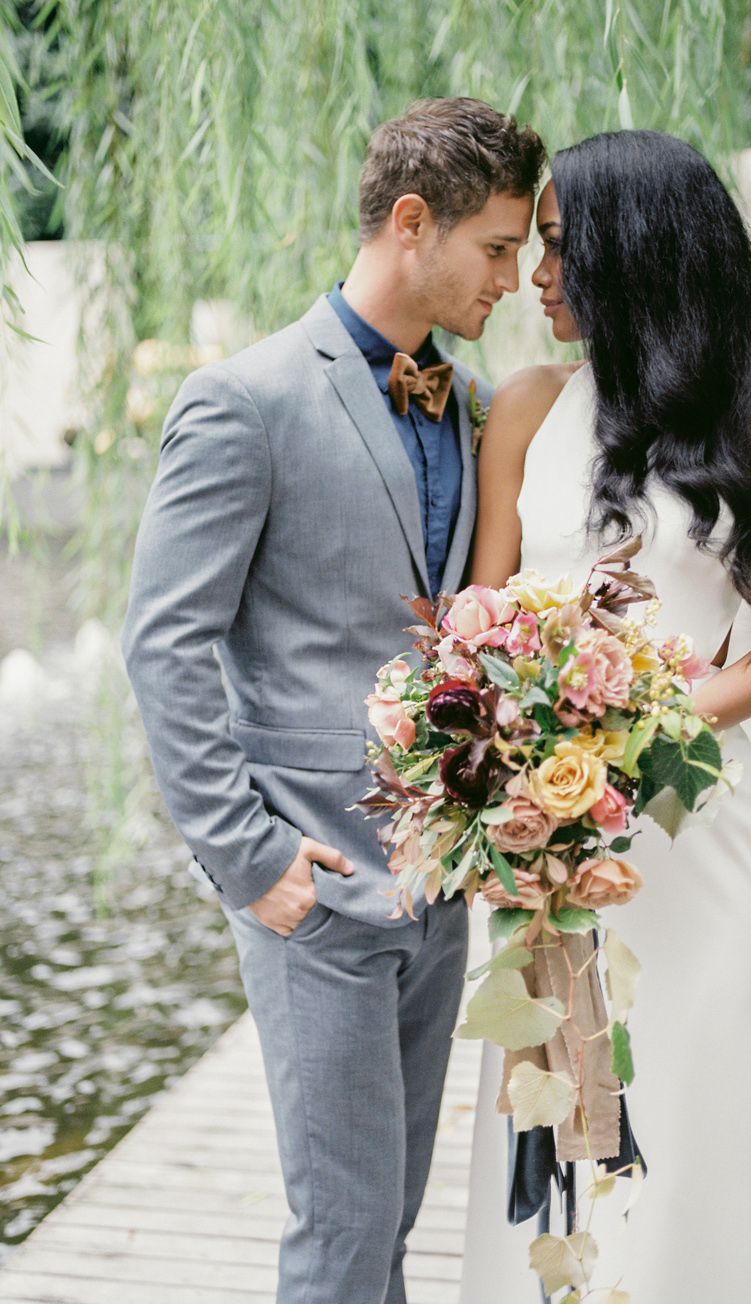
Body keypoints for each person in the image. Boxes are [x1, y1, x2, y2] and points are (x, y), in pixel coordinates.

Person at [120, 97, 545, 1304]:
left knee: (388, 1219)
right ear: (414, 223)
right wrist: (250, 859)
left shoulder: (465, 401)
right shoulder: (241, 399)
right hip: (310, 883)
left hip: (432, 887)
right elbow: (164, 643)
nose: (515, 278)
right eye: (500, 246)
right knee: (343, 1228)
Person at [457, 128, 751, 1301]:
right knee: (551, 1089)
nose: (535, 275)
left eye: (561, 248)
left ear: (639, 251)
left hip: (687, 807)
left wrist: (630, 726)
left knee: (692, 1074)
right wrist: (500, 758)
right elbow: (476, 618)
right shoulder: (523, 406)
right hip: (544, 820)